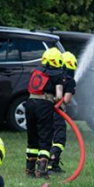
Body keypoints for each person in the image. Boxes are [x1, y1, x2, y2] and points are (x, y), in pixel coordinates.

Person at [25, 47, 65, 178]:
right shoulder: (57, 75)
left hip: (30, 103)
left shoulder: (36, 71)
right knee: (45, 136)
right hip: (44, 105)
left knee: (32, 137)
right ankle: (41, 170)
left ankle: (29, 169)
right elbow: (59, 96)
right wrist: (54, 100)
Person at [49, 51, 78, 173]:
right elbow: (66, 100)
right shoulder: (70, 80)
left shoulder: (52, 76)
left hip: (44, 110)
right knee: (59, 139)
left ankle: (40, 164)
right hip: (57, 112)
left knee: (46, 138)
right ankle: (52, 164)